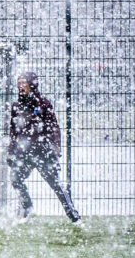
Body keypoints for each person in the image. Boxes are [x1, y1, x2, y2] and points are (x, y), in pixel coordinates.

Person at [7, 71, 80, 222]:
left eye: (24, 83)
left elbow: (53, 127)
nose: (21, 86)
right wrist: (11, 152)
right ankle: (27, 207)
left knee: (56, 185)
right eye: (19, 83)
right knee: (15, 179)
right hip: (24, 154)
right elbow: (13, 131)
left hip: (42, 153)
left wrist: (54, 149)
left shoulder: (43, 104)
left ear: (32, 84)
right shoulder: (16, 106)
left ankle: (74, 217)